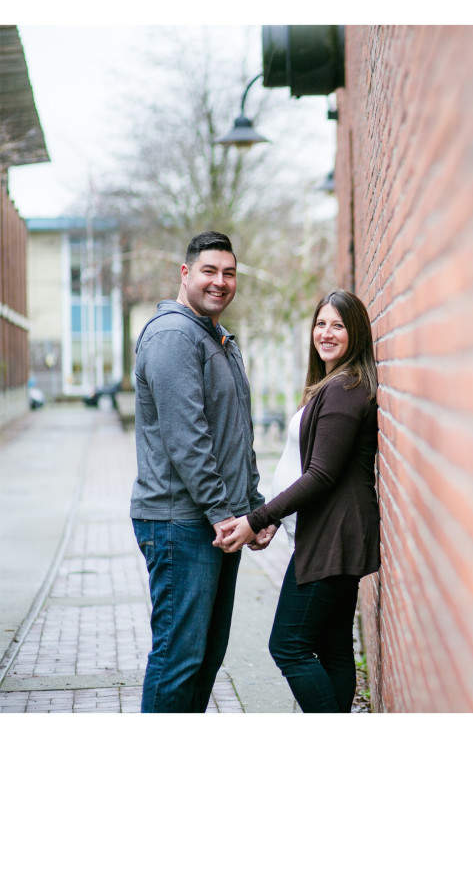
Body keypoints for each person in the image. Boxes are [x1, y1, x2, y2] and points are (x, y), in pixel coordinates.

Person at [130, 231, 276, 712]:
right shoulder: (174, 336)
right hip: (181, 524)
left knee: (204, 659)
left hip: (215, 523)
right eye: (210, 271)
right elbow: (187, 439)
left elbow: (236, 434)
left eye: (229, 273)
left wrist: (253, 509)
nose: (220, 282)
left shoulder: (215, 337)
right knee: (178, 660)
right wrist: (222, 512)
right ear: (185, 273)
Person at [215, 289, 379, 713]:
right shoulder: (337, 384)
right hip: (332, 537)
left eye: (338, 325)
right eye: (321, 323)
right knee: (334, 647)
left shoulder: (345, 390)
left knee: (287, 646)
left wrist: (257, 517)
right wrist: (274, 518)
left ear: (355, 333)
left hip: (332, 540)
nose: (326, 333)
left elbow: (321, 475)